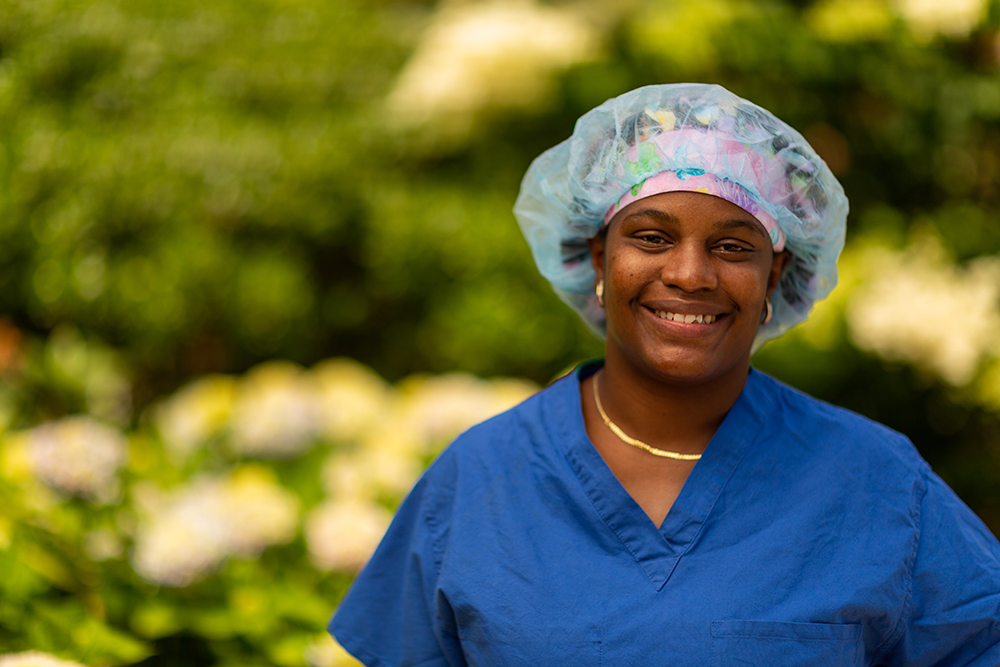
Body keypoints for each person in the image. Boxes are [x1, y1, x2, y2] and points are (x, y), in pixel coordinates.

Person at [328, 84, 1000, 666]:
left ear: (777, 274)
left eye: (733, 246)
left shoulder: (874, 481)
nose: (688, 273)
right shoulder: (482, 479)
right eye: (651, 236)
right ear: (597, 257)